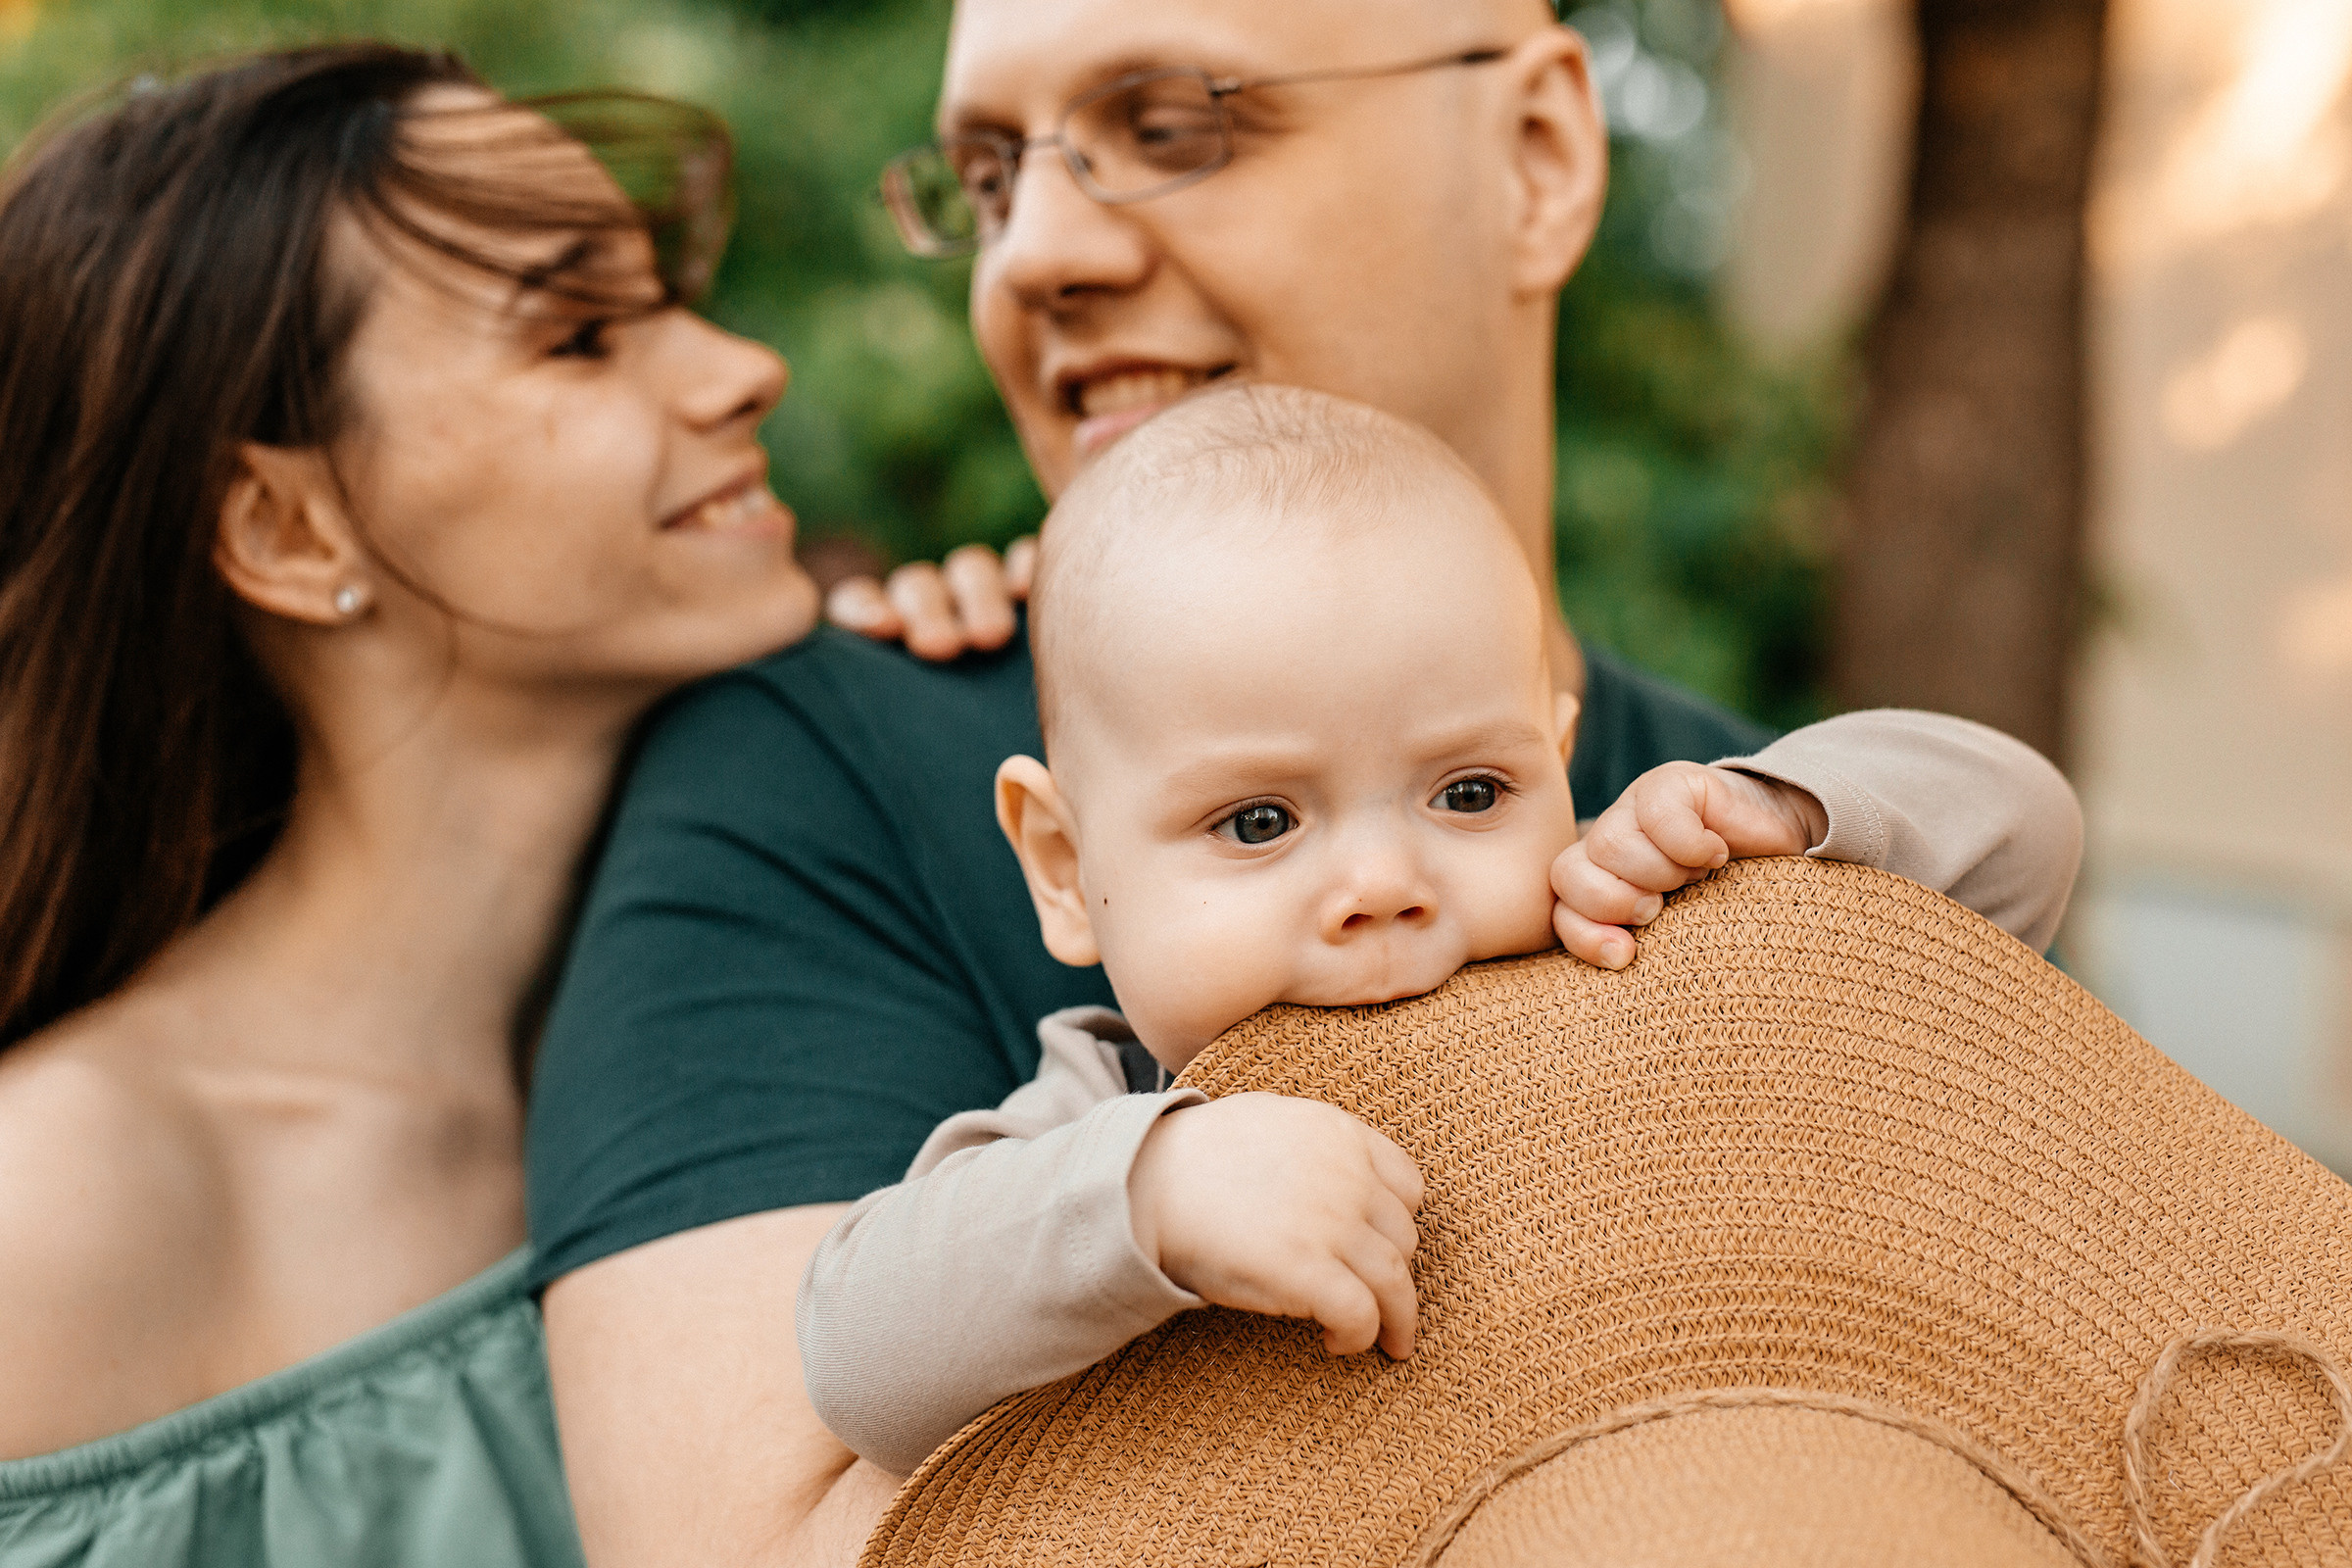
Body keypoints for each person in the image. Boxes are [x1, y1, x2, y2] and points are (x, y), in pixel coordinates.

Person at [521, 3, 1863, 1561]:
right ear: (1060, 858)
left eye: (1174, 126)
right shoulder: (814, 772)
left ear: (1542, 156)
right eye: (986, 174)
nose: (1031, 255)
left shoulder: (1728, 815)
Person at [792, 386, 2083, 1476]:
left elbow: (2022, 835)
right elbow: (856, 1354)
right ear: (1068, 869)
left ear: (1561, 769)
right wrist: (1155, 1192)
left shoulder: (1629, 962)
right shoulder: (1112, 1105)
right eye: (1257, 823)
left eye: (1471, 795)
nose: (1384, 883)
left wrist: (1771, 810)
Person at [0, 44, 843, 1565]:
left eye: (666, 297)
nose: (740, 369)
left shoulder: (798, 963)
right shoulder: (57, 1209)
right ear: (283, 521)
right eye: (583, 335)